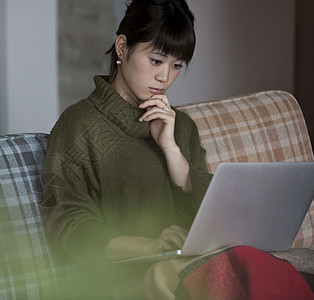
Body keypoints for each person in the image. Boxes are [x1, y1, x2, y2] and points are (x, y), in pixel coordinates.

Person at [41, 0, 313, 298]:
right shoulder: (78, 124)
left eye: (177, 65)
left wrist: (173, 153)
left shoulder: (180, 127)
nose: (165, 77)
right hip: (134, 280)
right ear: (122, 47)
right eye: (156, 61)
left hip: (201, 270)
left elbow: (212, 222)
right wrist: (150, 245)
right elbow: (69, 229)